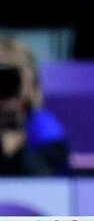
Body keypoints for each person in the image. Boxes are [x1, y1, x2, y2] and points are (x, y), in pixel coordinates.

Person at [0, 35, 68, 175]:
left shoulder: (43, 124)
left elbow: (45, 177)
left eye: (13, 74)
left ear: (32, 80)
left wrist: (16, 151)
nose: (6, 82)